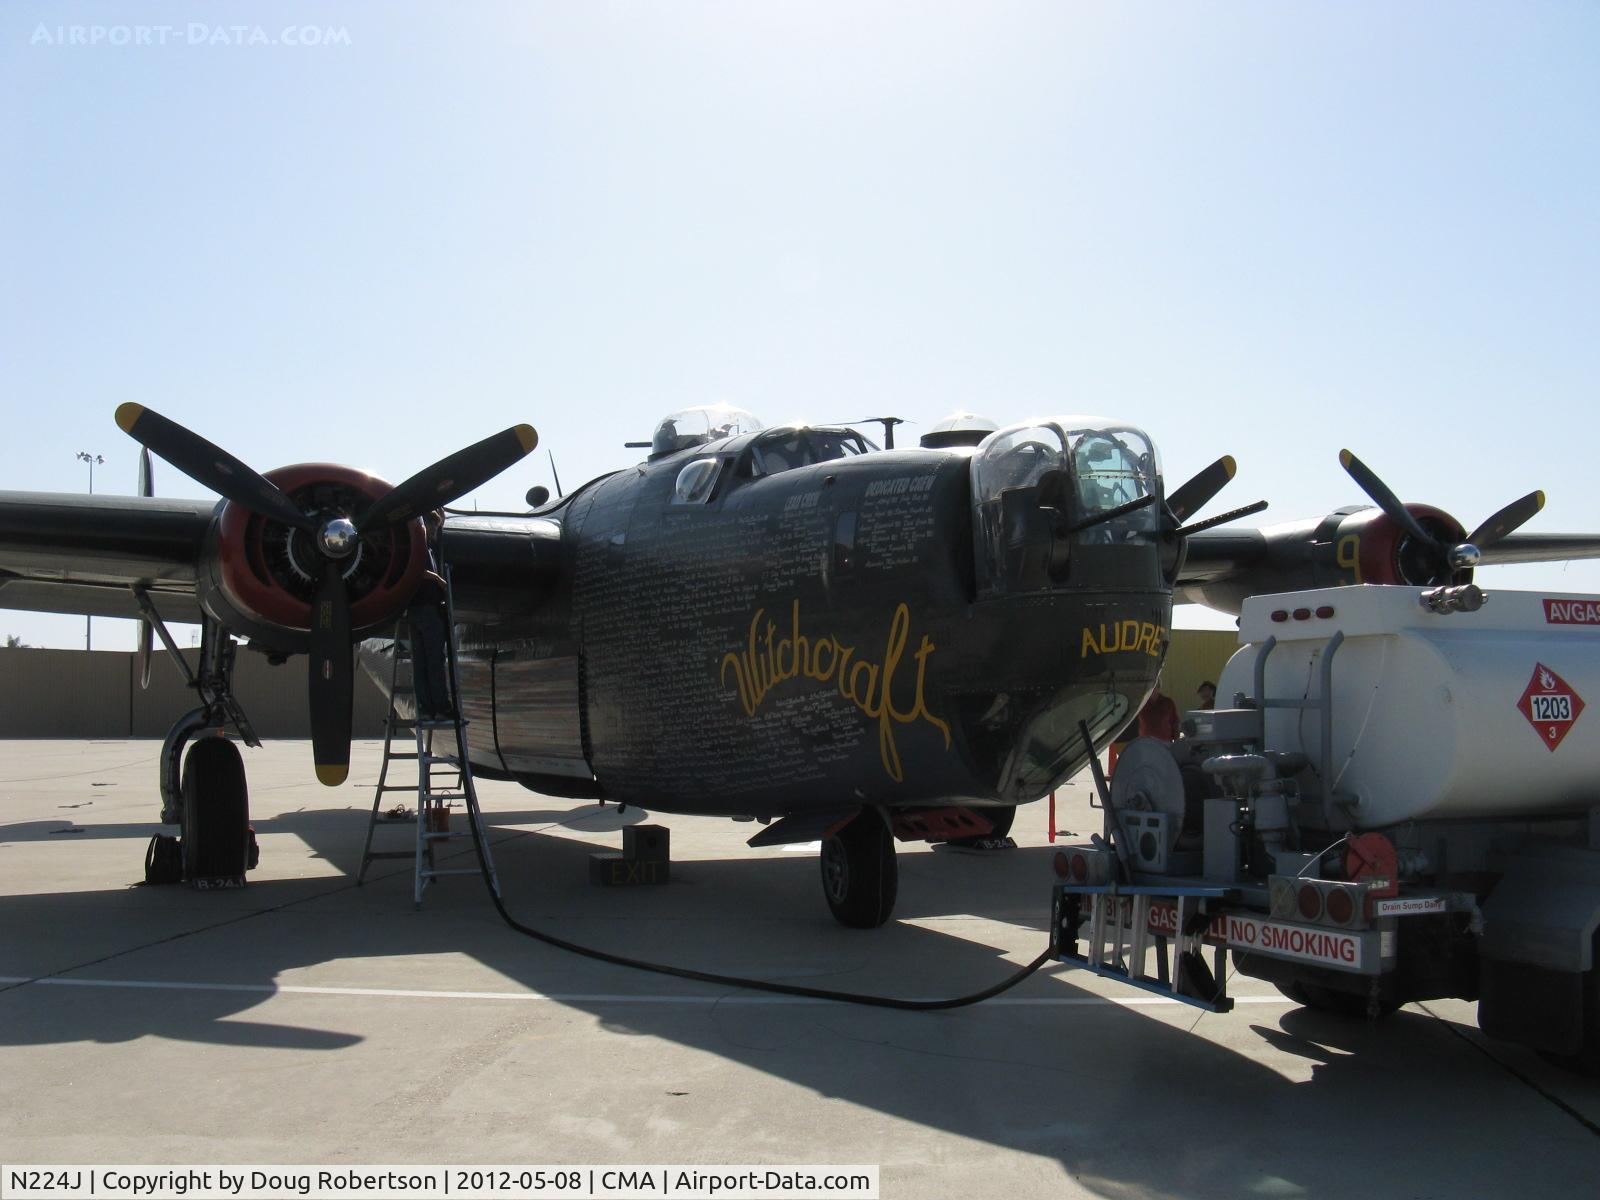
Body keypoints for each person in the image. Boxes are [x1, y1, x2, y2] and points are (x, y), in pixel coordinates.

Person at [407, 511, 453, 721]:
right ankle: (441, 707)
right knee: (435, 660)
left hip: (414, 610)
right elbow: (415, 570)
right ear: (423, 525)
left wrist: (440, 516)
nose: (435, 531)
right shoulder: (421, 549)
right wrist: (438, 580)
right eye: (432, 527)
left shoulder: (422, 547)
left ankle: (425, 709)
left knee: (421, 662)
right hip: (427, 610)